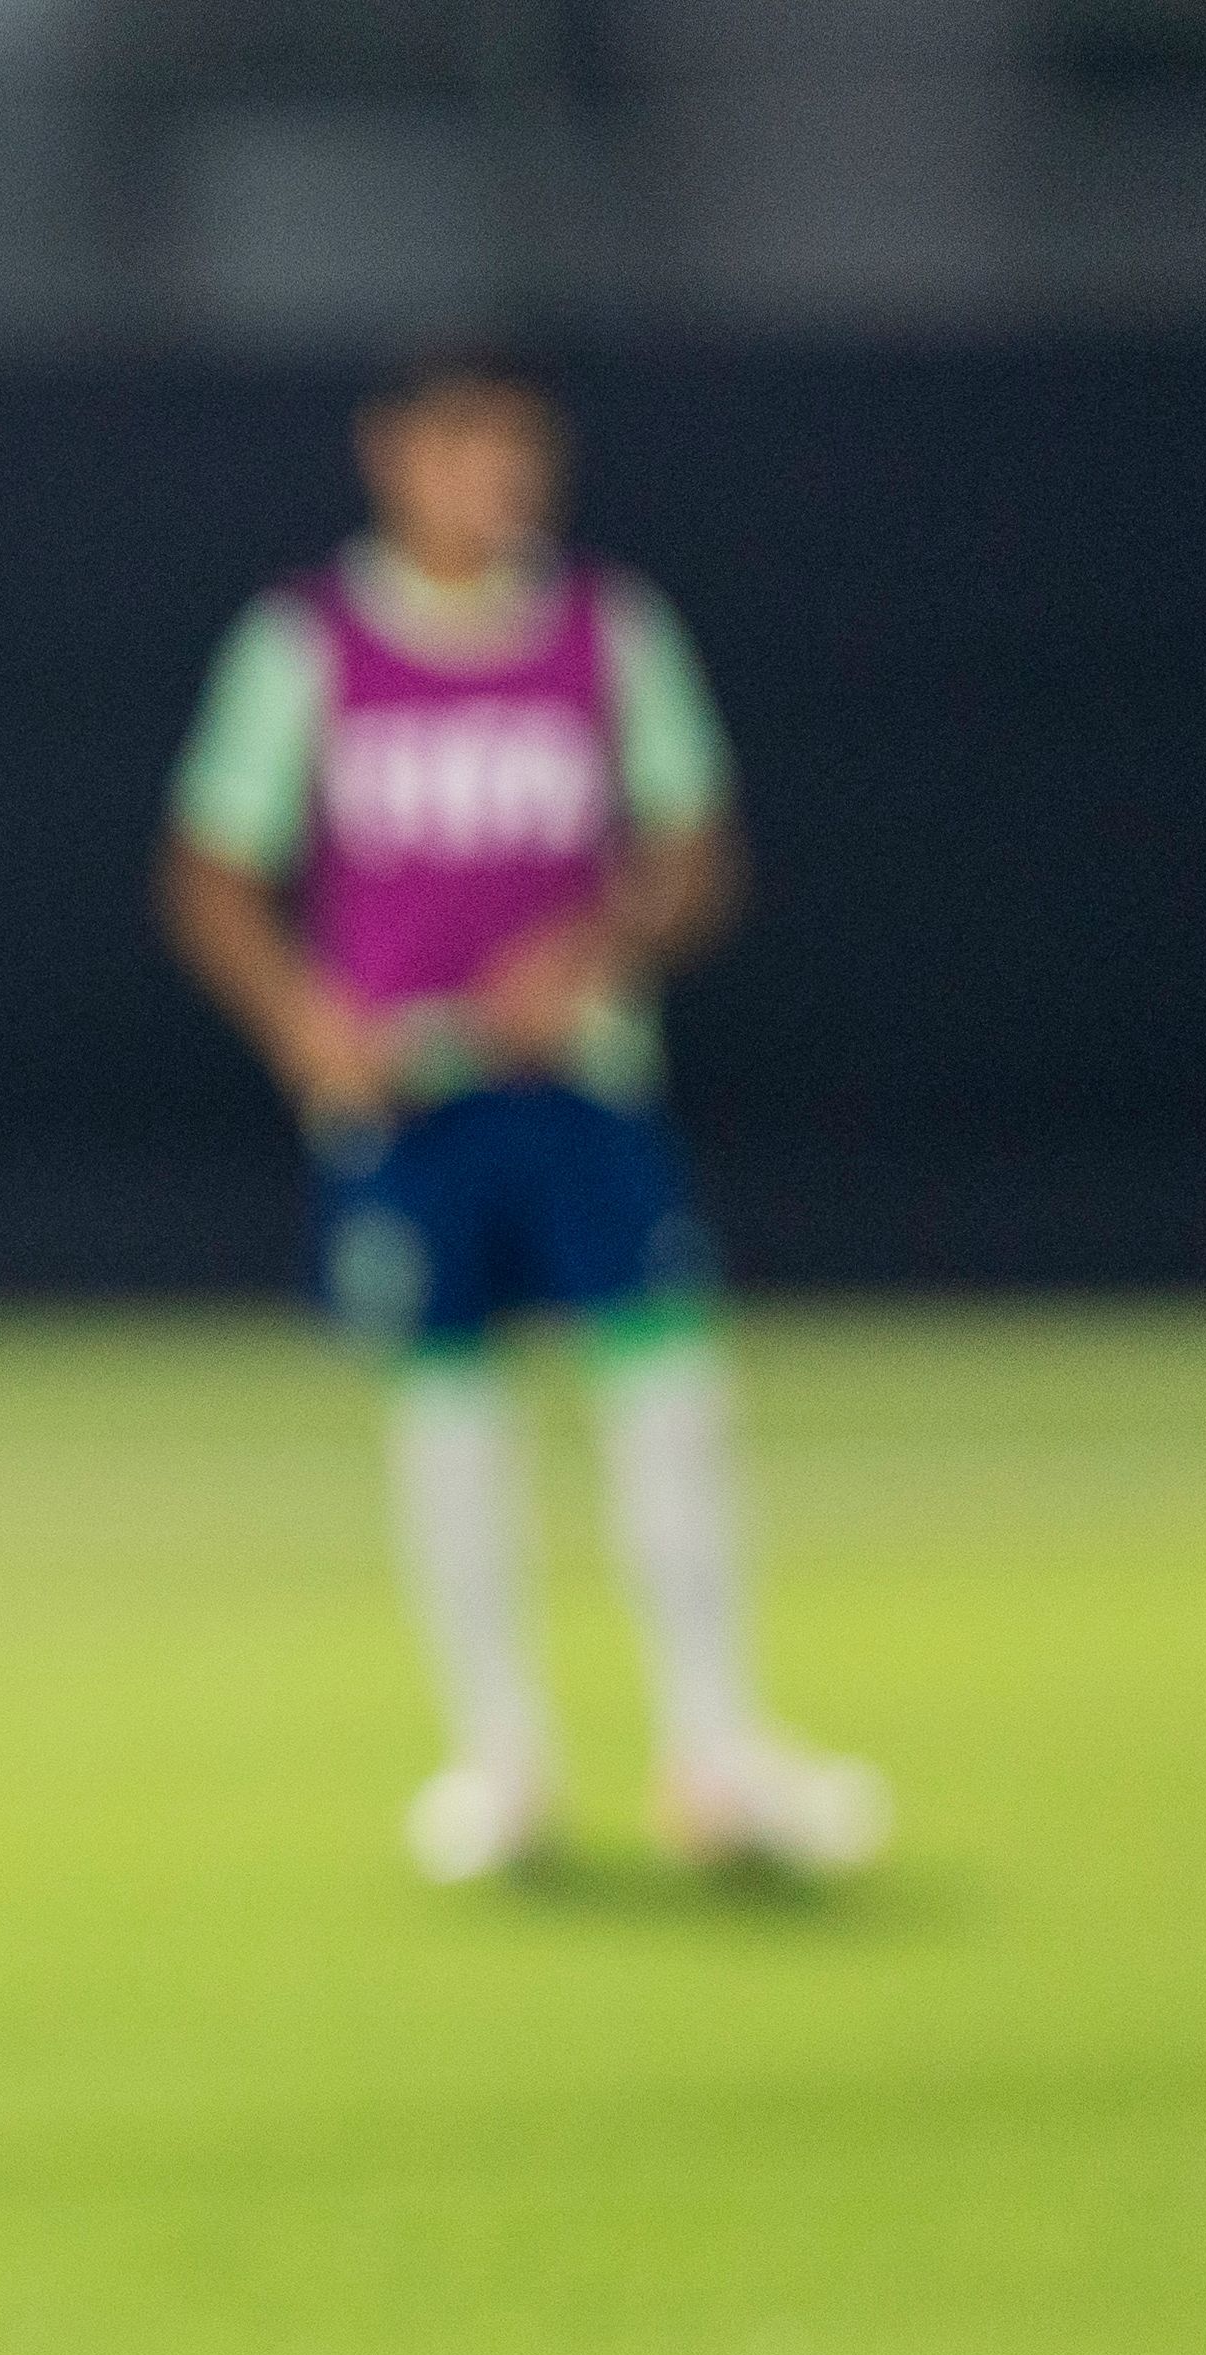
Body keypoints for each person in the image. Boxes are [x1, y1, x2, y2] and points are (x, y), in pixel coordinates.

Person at [158, 344, 873, 1883]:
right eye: (463, 448)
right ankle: (498, 1760)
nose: (497, 481)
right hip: (404, 1110)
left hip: (579, 1091)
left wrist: (597, 950)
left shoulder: (608, 632)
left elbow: (691, 848)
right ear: (392, 455)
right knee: (447, 1414)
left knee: (666, 1402)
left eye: (519, 451)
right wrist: (302, 1025)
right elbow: (211, 865)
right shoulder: (307, 644)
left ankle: (711, 1745)